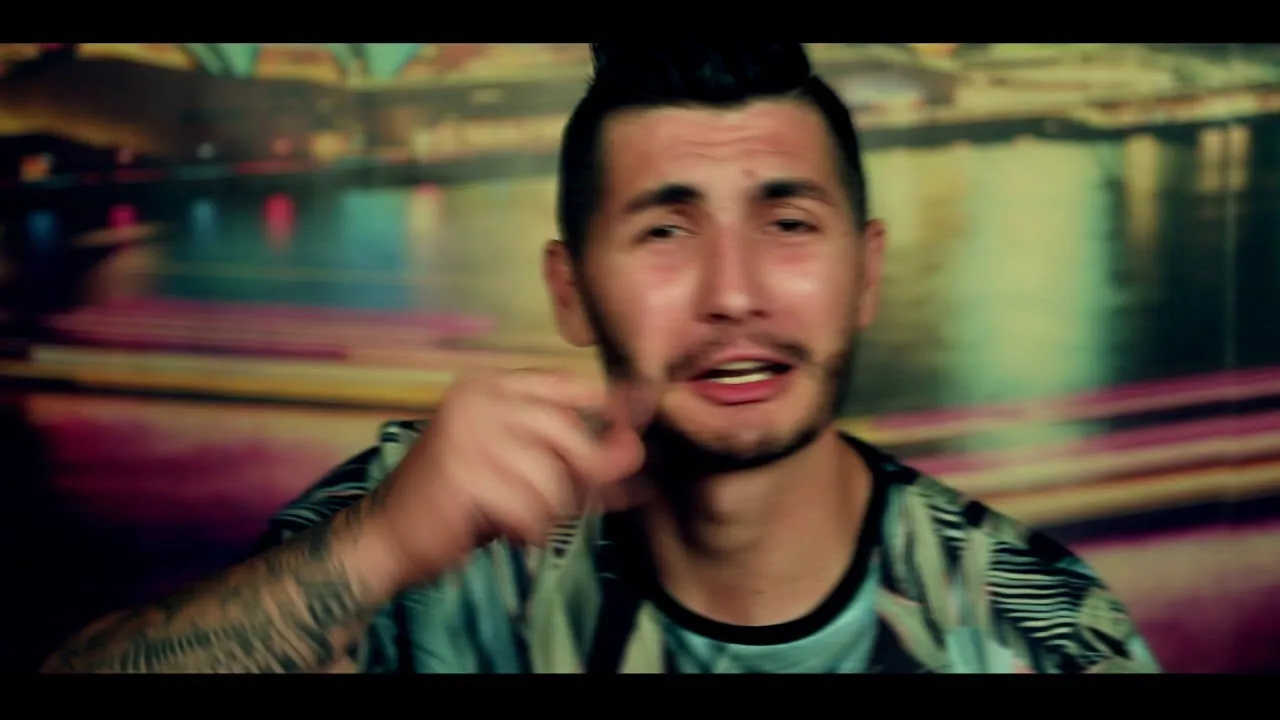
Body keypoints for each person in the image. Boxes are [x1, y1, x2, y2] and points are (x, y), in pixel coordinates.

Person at [42, 43, 1160, 674]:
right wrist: (377, 548)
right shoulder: (428, 516)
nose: (733, 292)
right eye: (665, 229)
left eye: (788, 223)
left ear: (865, 274)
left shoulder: (1031, 628)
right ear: (568, 290)